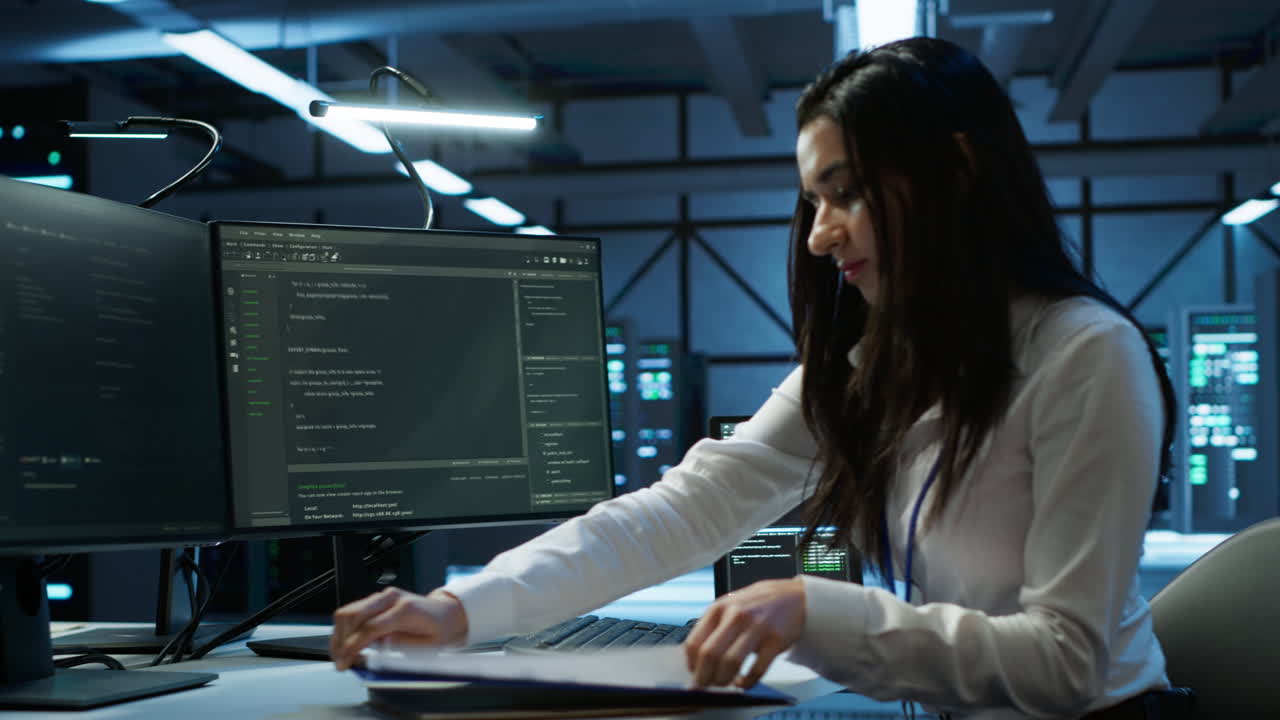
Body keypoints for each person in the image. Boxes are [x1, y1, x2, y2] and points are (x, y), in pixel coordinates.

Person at [330, 37, 1183, 719]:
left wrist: (815, 611)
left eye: (846, 193)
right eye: (813, 202)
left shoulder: (1086, 356)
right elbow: (683, 511)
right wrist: (463, 609)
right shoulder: (868, 370)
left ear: (957, 171)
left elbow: (1066, 664)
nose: (819, 235)